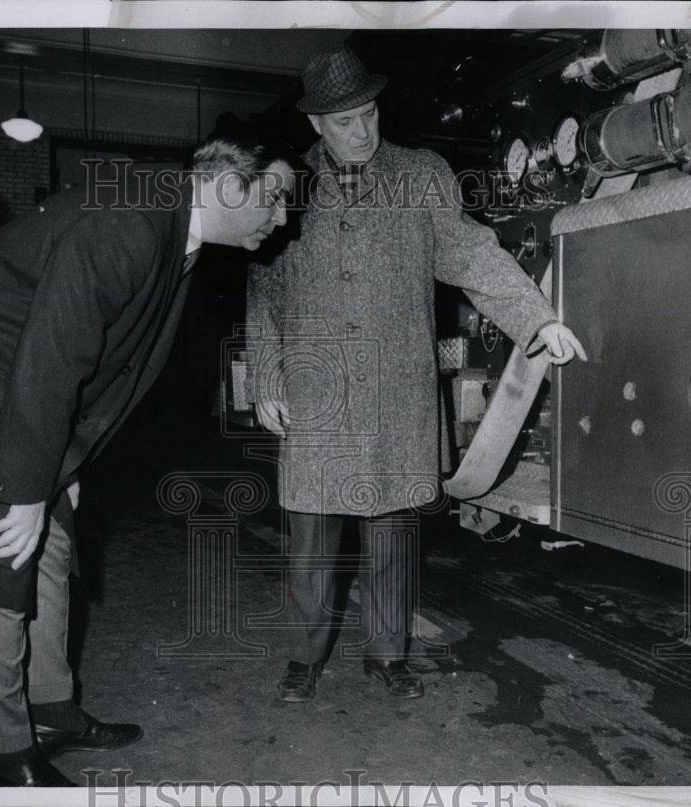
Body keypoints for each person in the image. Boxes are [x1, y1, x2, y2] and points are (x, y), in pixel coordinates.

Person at [0, 132, 294, 786]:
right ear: (227, 185)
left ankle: (51, 706)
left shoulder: (170, 222)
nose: (280, 218)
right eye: (275, 200)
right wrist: (22, 486)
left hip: (12, 378)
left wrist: (60, 467)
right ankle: (0, 749)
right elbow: (56, 353)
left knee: (53, 540)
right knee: (0, 548)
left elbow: (101, 364)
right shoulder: (131, 220)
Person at [246, 46, 587, 703]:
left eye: (369, 113)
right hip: (317, 390)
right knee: (312, 539)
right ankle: (303, 659)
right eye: (344, 121)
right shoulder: (285, 184)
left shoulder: (423, 174)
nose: (362, 131)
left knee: (394, 535)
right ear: (316, 124)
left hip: (395, 390)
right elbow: (265, 287)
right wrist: (266, 374)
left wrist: (537, 322)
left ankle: (387, 654)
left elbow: (470, 253)